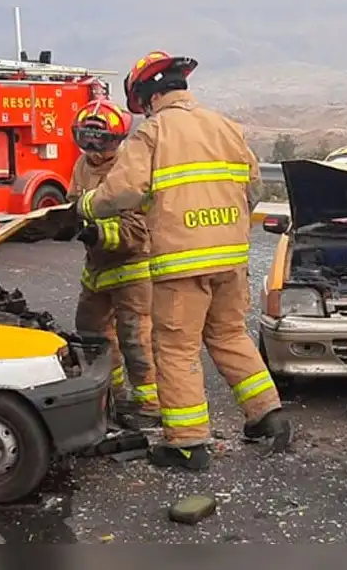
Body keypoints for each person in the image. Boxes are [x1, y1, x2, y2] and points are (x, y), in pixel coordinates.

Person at [75, 51, 293, 471]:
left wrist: (85, 206)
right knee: (230, 335)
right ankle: (268, 414)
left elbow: (122, 192)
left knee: (175, 349)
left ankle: (188, 444)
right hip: (231, 260)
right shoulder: (226, 126)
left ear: (146, 95)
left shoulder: (153, 134)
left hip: (181, 264)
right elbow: (252, 188)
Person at [65, 99, 159, 428]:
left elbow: (136, 229)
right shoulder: (82, 165)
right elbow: (74, 204)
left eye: (99, 140)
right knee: (91, 334)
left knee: (135, 338)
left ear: (116, 139)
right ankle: (114, 397)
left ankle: (149, 406)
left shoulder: (127, 168)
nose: (92, 148)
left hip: (132, 270)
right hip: (96, 271)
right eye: (85, 138)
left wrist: (96, 233)